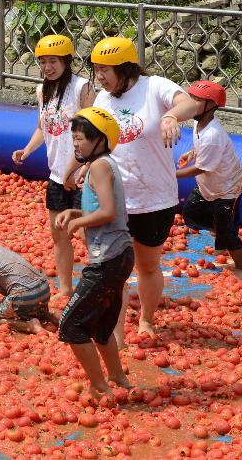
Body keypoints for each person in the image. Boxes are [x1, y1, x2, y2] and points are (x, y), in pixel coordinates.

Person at [84, 36, 197, 338]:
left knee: (147, 266)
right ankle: (115, 337)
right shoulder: (102, 99)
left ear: (126, 69)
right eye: (96, 70)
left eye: (105, 70)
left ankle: (147, 319)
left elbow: (189, 102)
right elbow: (95, 142)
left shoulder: (154, 87)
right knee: (113, 272)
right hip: (114, 200)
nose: (100, 77)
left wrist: (171, 115)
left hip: (153, 198)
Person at [55, 107, 134, 396]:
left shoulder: (100, 166)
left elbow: (109, 212)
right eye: (74, 138)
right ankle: (118, 379)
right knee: (101, 326)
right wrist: (76, 211)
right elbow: (100, 208)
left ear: (100, 139)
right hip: (120, 255)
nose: (76, 144)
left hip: (109, 258)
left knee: (71, 325)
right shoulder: (104, 164)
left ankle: (100, 387)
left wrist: (77, 222)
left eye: (81, 139)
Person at [12, 34, 95, 300]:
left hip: (83, 175)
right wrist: (26, 150)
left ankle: (106, 286)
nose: (48, 67)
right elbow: (42, 128)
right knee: (59, 234)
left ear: (67, 61)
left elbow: (97, 132)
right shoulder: (42, 90)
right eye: (43, 62)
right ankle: (66, 288)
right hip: (58, 175)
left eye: (53, 61)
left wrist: (83, 166)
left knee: (86, 234)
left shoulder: (82, 88)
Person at [175, 81, 242, 279]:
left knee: (227, 232)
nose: (192, 103)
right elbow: (200, 147)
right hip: (209, 185)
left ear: (211, 106)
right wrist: (191, 153)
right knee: (191, 215)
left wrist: (170, 175)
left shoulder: (213, 135)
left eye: (197, 100)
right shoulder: (197, 122)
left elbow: (201, 168)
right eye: (191, 99)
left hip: (228, 187)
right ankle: (222, 227)